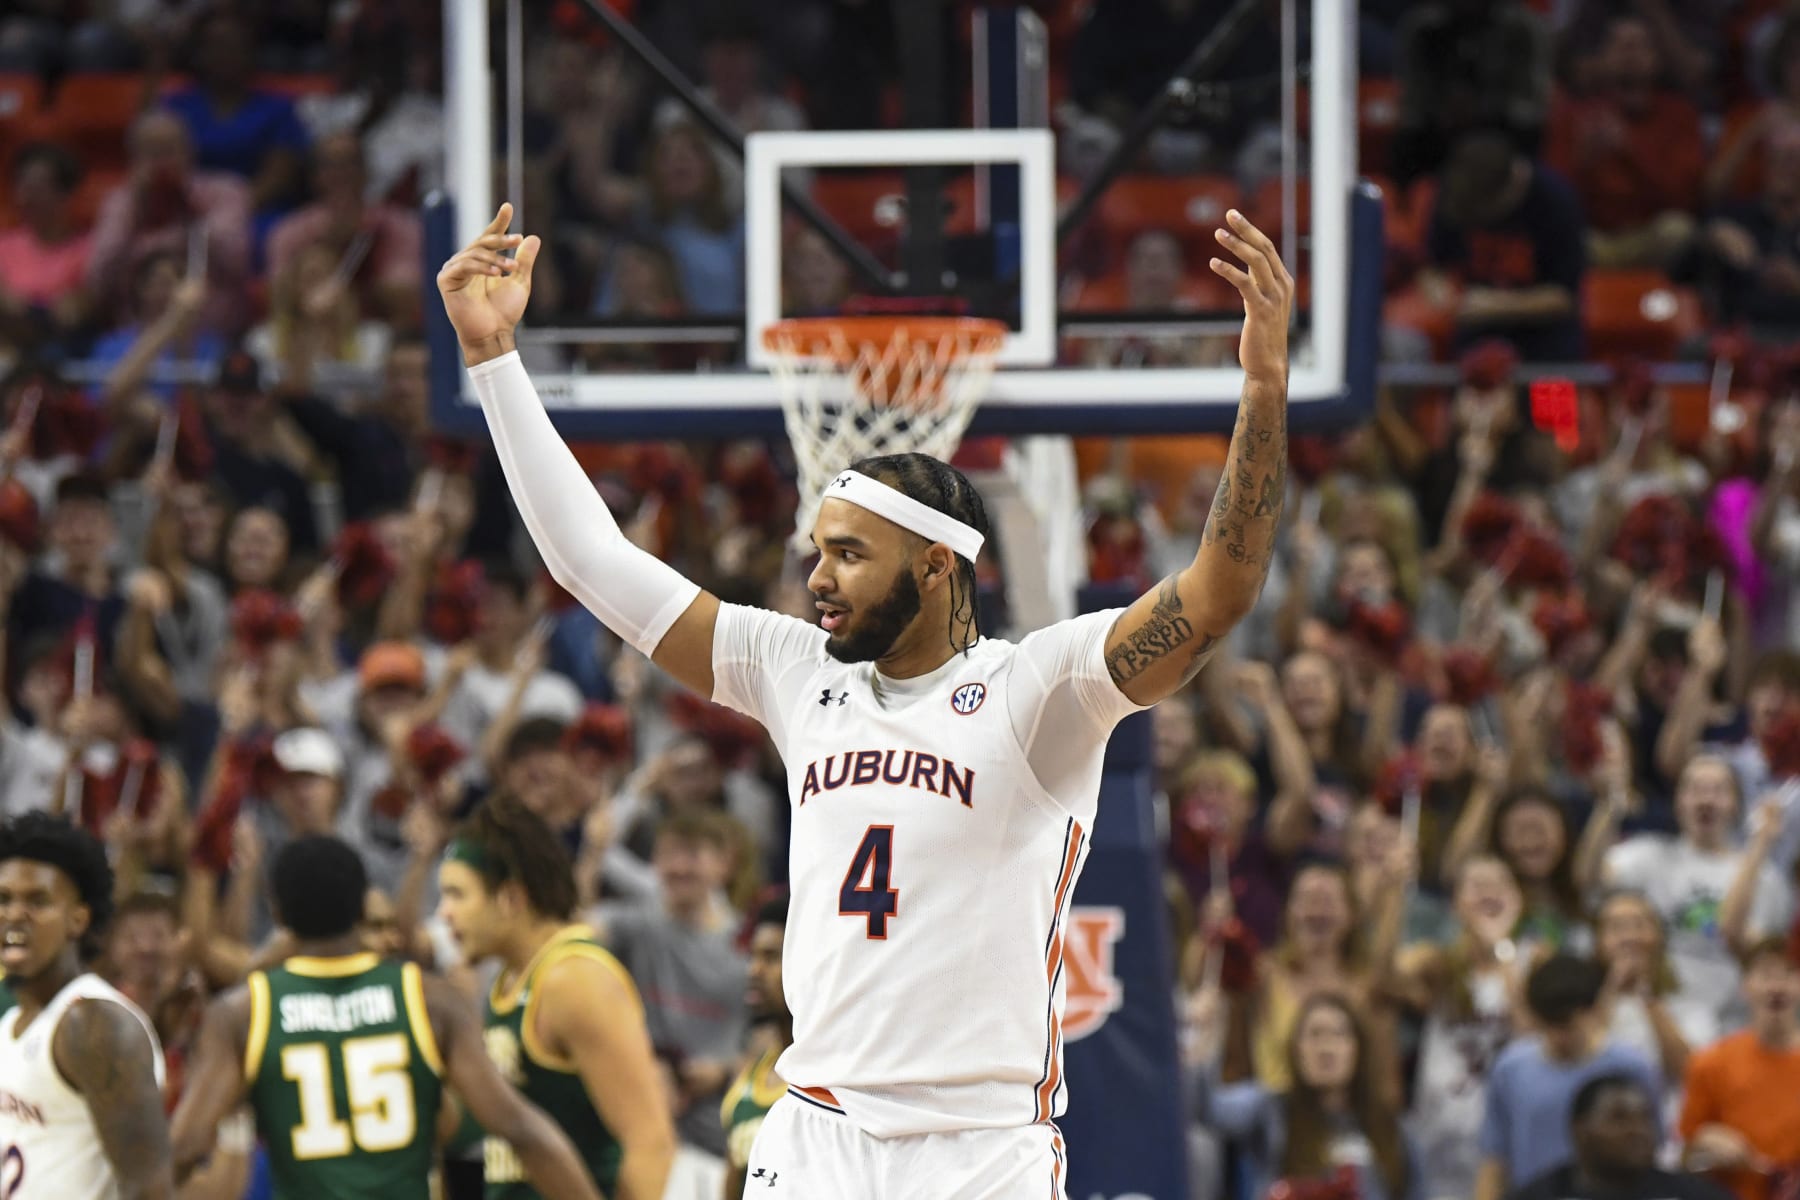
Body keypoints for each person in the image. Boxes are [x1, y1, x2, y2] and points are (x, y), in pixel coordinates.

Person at [437, 199, 1292, 1191]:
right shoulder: (795, 670)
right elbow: (593, 564)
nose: (819, 579)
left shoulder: (1039, 691)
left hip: (981, 1150)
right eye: (818, 551)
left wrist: (1264, 384)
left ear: (936, 568)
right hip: (818, 1132)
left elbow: (1216, 595)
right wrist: (495, 363)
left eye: (849, 554)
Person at [169, 834, 606, 1200]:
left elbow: (185, 1148)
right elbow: (522, 1130)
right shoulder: (431, 1000)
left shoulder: (243, 1012)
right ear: (362, 908)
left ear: (279, 914)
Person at [436, 795, 677, 1200]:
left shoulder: (575, 980)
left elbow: (650, 1143)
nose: (444, 913)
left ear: (510, 899)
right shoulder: (509, 980)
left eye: (458, 895)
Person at [0, 811, 174, 1199]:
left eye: (38, 901)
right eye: (4, 899)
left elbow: (151, 1190)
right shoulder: (11, 1022)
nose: (14, 915)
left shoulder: (95, 1023)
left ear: (78, 919)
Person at [1474, 955, 1663, 1200]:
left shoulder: (1631, 1067)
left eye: (1567, 1024)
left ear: (1594, 1011)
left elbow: (1653, 1150)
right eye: (1549, 1024)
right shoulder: (1511, 1068)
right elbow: (1494, 1159)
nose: (1558, 1036)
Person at [1678, 937, 1800, 1200]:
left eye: (1789, 974)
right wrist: (1707, 1140)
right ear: (1746, 985)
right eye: (1766, 974)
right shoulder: (1711, 1062)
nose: (1777, 986)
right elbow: (1684, 1157)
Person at [1507, 1074, 1731, 1200]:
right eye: (1619, 1118)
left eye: (1645, 1117)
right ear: (1580, 1130)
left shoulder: (1691, 1194)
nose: (1638, 1129)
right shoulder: (1542, 1194)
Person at [723, 894, 792, 1200]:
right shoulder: (752, 1071)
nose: (754, 970)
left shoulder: (830, 1075)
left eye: (770, 957)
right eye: (753, 956)